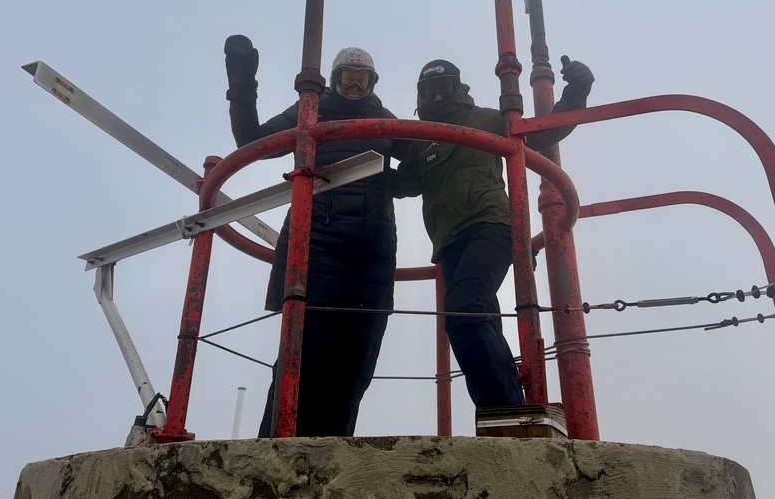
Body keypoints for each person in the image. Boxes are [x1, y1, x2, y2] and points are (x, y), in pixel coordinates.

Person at [224, 35, 404, 437]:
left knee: (358, 356)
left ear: (374, 83)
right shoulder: (312, 110)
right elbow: (251, 141)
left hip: (372, 246)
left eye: (363, 79)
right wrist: (241, 84)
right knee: (304, 351)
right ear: (335, 79)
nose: (355, 87)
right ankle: (277, 448)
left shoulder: (388, 121)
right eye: (348, 78)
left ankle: (334, 450)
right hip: (317, 241)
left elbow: (435, 158)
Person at [391, 56, 594, 409]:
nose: (438, 95)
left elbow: (543, 131)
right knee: (478, 316)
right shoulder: (422, 142)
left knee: (464, 310)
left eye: (445, 86)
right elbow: (400, 182)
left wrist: (576, 92)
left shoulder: (482, 119)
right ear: (420, 95)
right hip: (450, 242)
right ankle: (510, 407)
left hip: (493, 226)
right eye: (429, 89)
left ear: (458, 88)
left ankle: (501, 408)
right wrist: (346, 164)